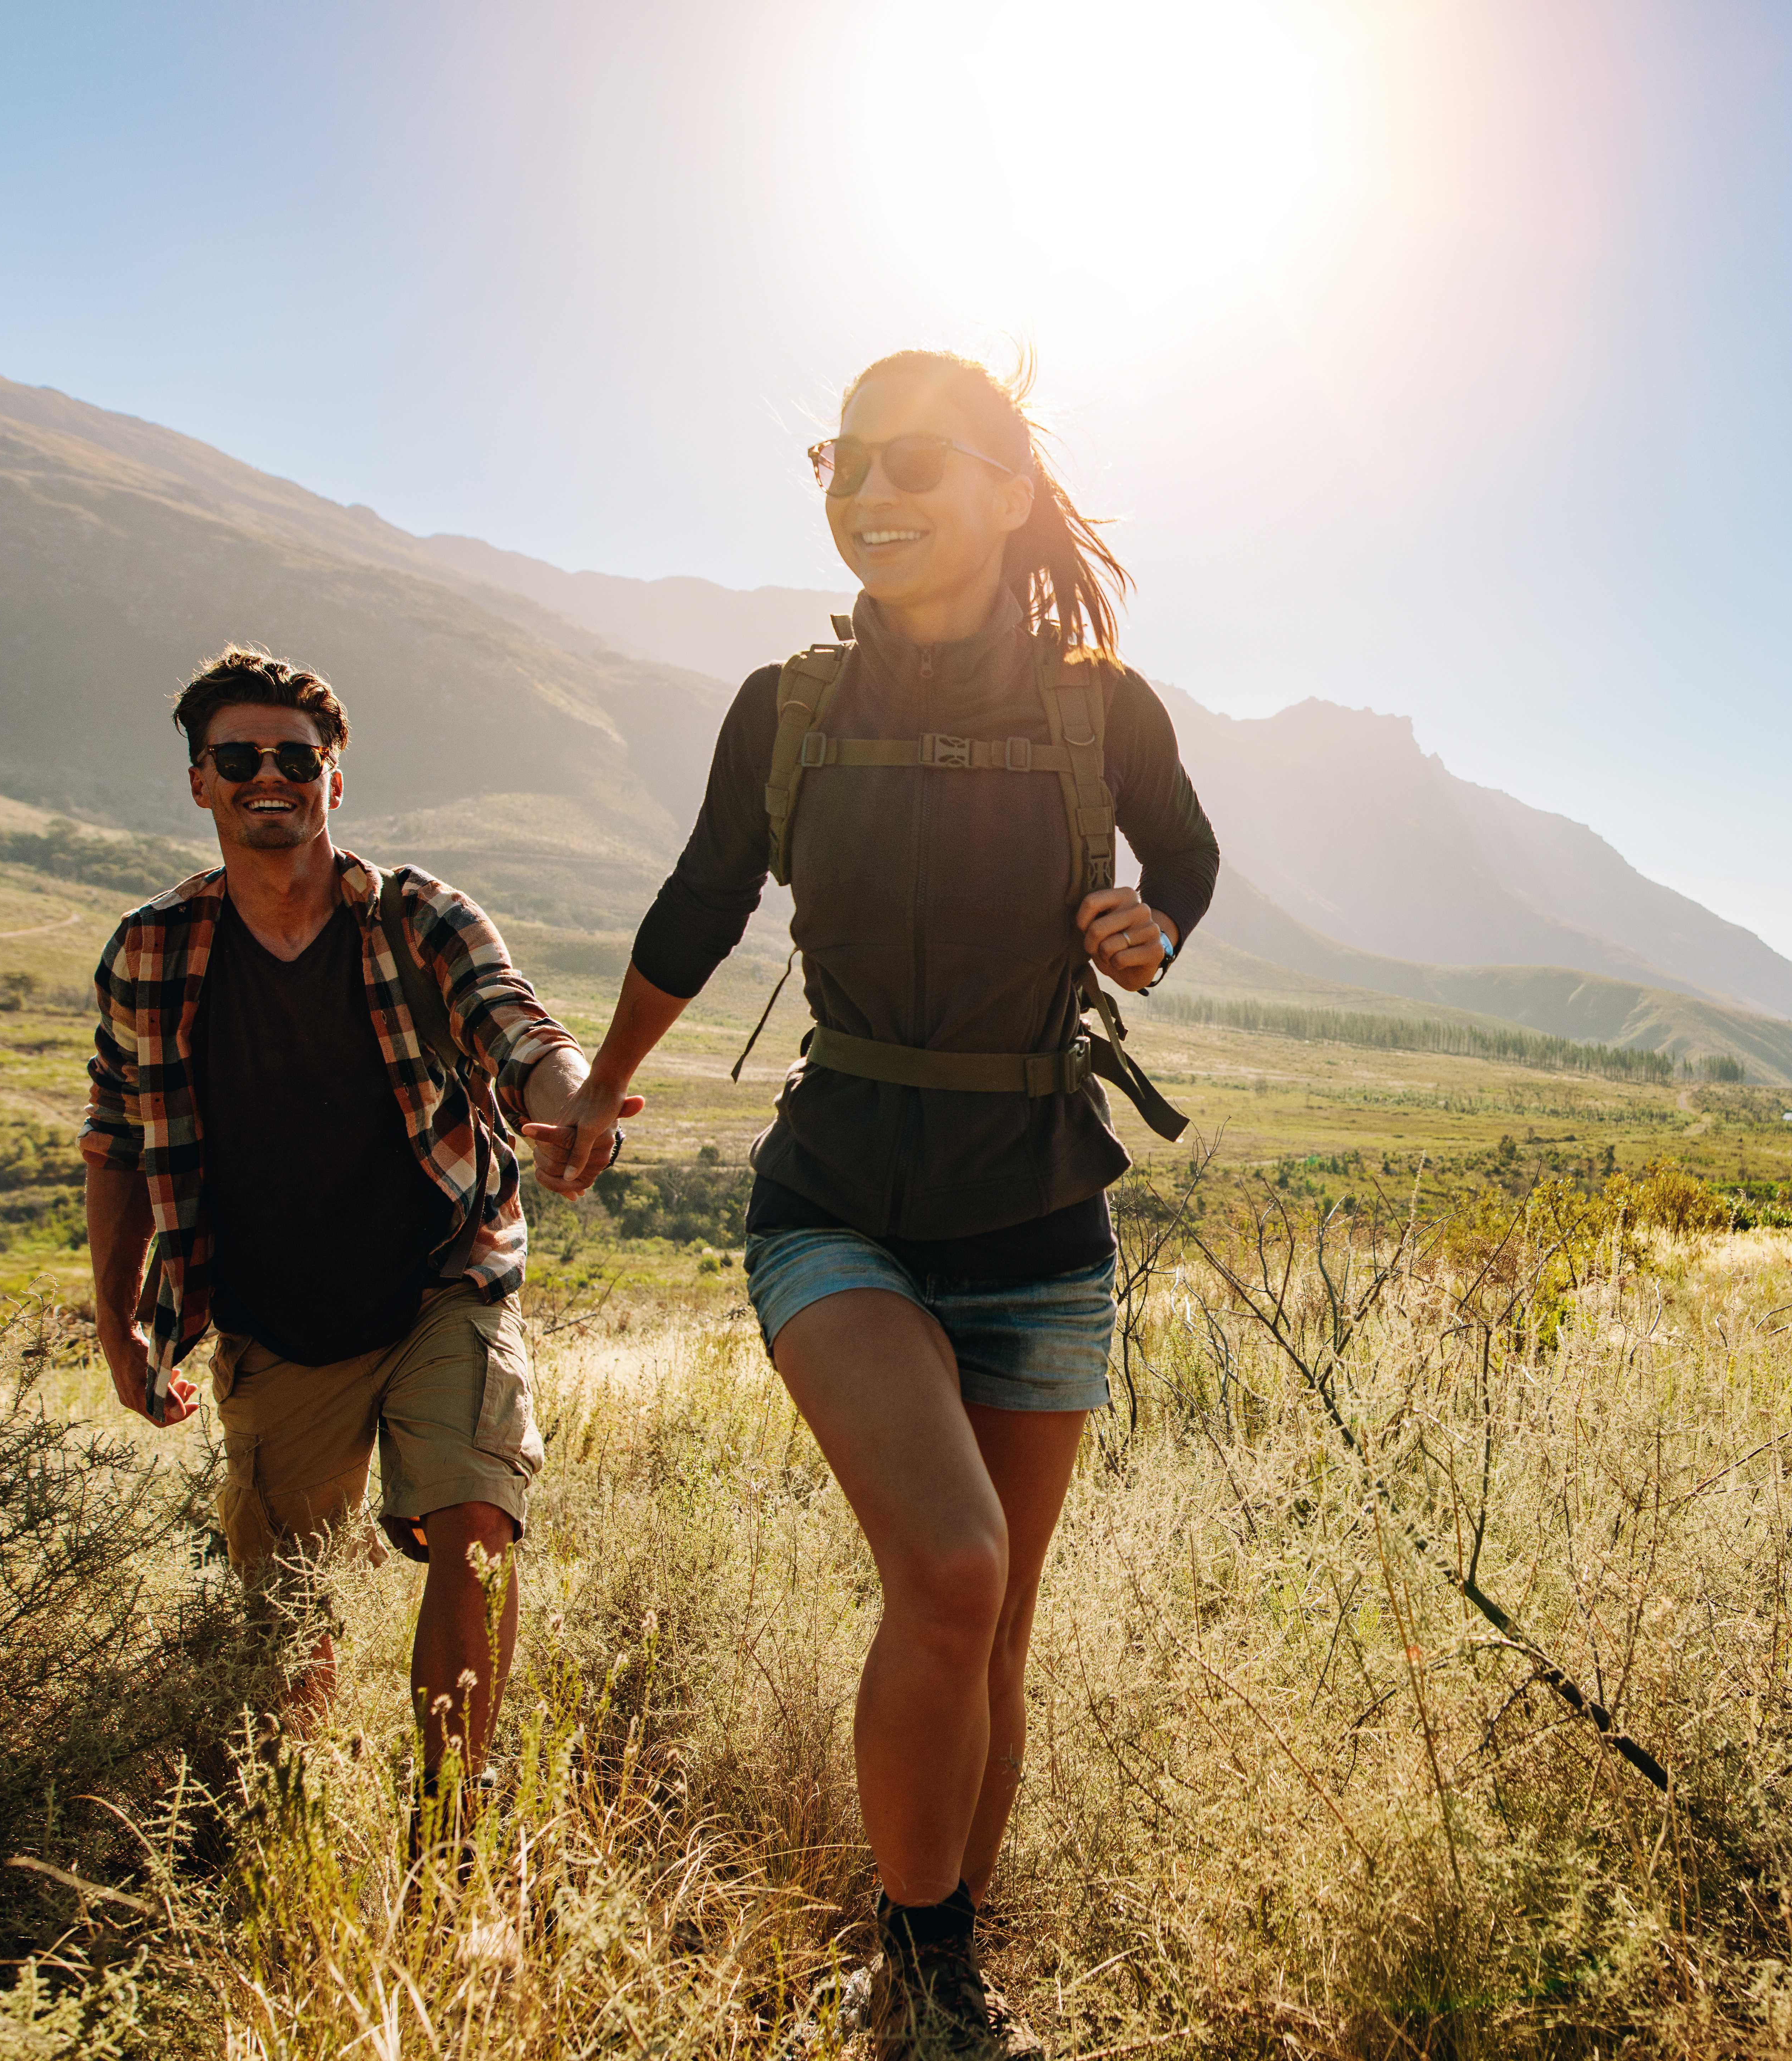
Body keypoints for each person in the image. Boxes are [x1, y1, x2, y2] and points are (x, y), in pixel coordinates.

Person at [534, 350, 1218, 2060]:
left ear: (1004, 486)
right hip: (837, 1193)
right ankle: (912, 1969)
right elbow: (699, 901)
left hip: (1044, 1219)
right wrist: (604, 1085)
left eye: (915, 457)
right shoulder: (787, 707)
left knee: (989, 1616)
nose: (868, 488)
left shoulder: (1099, 707)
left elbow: (1188, 857)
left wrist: (1153, 923)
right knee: (957, 1559)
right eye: (844, 457)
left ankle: (939, 1972)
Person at [82, 645, 634, 1830]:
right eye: (240, 758)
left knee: (475, 1524)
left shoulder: (415, 918)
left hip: (447, 1274)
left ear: (337, 779)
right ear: (200, 784)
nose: (268, 777)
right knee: (289, 1604)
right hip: (277, 1317)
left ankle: (454, 1825)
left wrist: (568, 1106)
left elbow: (517, 1027)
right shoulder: (152, 951)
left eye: (297, 757)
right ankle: (298, 1819)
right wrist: (122, 1323)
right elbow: (116, 1142)